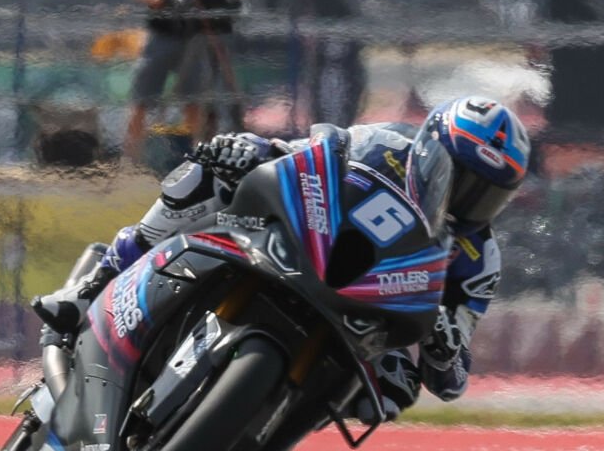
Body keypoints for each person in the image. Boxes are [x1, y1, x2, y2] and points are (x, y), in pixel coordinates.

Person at [35, 96, 530, 420]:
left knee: (394, 390)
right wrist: (253, 151)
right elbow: (301, 155)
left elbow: (454, 376)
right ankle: (92, 288)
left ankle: (263, 426)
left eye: (487, 194)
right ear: (430, 150)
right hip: (312, 248)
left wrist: (445, 347)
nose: (468, 202)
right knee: (219, 166)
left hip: (370, 321)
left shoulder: (478, 258)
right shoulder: (383, 146)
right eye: (461, 180)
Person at [125, 0, 248, 166]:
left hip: (196, 35)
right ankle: (130, 160)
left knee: (194, 101)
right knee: (142, 99)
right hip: (162, 32)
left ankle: (199, 159)